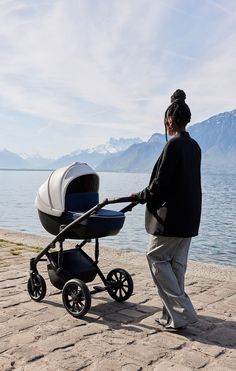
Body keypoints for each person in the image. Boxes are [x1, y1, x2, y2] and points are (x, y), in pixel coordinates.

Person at [132, 89, 202, 329]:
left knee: (155, 257)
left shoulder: (173, 146)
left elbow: (160, 185)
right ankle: (171, 315)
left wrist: (141, 196)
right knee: (176, 266)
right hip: (190, 218)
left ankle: (183, 312)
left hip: (171, 219)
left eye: (166, 122)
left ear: (170, 121)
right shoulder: (194, 146)